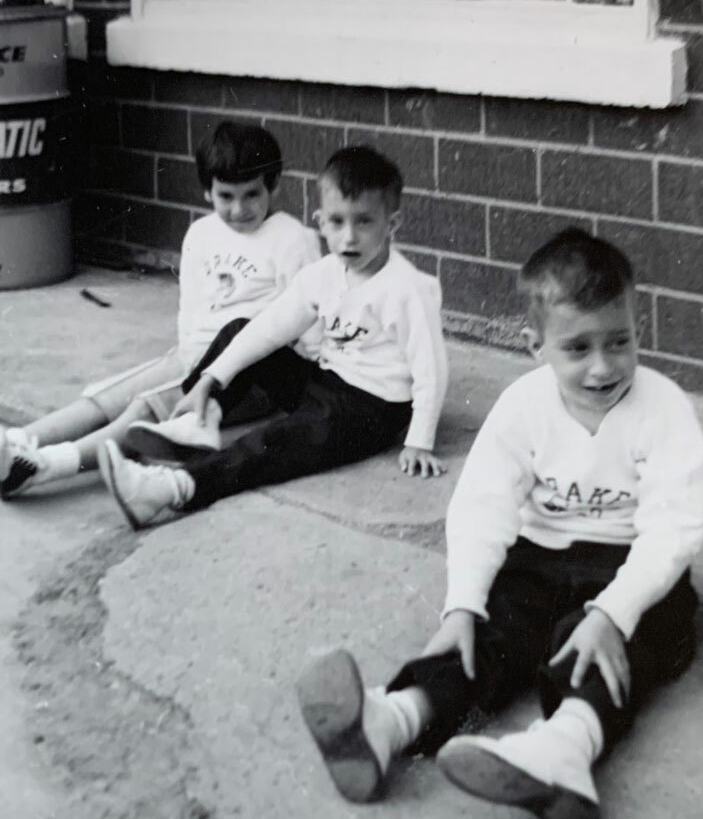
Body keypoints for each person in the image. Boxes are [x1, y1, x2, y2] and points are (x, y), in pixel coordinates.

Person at [296, 227, 703, 819]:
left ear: (637, 331)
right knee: (485, 636)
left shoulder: (664, 407)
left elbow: (674, 526)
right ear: (534, 345)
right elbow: (482, 505)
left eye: (620, 342)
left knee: (620, 642)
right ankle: (391, 722)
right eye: (578, 348)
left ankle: (565, 747)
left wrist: (612, 612)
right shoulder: (523, 405)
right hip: (538, 557)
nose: (603, 366)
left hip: (632, 569)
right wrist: (461, 605)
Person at [96, 145, 449, 530]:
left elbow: (431, 370)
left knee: (274, 441)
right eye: (337, 221)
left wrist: (420, 439)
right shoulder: (324, 273)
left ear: (392, 223)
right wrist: (210, 382)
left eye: (364, 222)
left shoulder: (405, 290)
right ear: (321, 221)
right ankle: (199, 419)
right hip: (326, 381)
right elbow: (269, 328)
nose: (349, 237)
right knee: (239, 329)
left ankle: (169, 489)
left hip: (372, 409)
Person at [0, 120, 320, 499]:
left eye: (251, 195)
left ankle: (46, 466)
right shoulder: (201, 234)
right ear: (207, 191)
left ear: (274, 185)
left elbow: (307, 319)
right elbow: (191, 309)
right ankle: (19, 440)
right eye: (225, 196)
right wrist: (184, 358)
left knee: (143, 410)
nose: (238, 209)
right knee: (107, 398)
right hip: (189, 357)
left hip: (245, 375)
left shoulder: (291, 239)